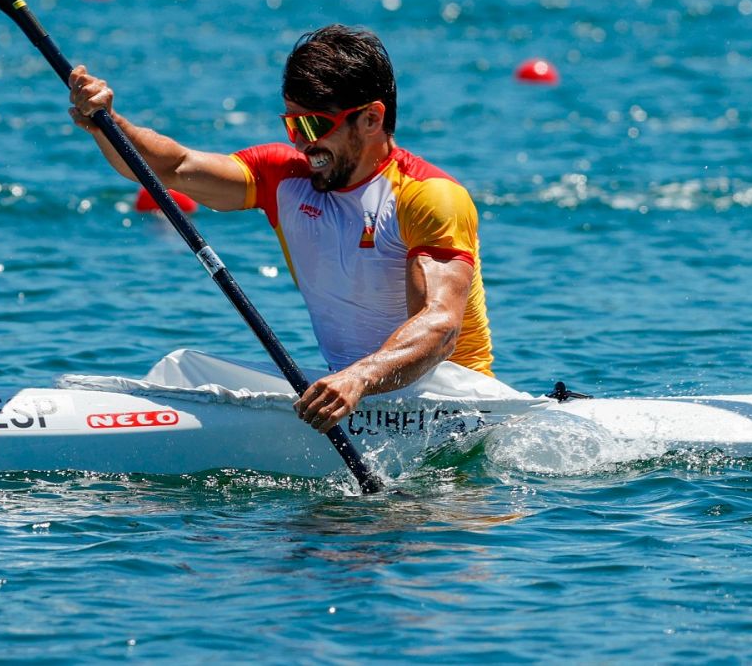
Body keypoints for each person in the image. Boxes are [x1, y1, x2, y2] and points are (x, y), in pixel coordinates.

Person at [68, 24, 493, 435]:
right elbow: (171, 167)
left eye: (313, 126)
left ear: (371, 118)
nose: (301, 144)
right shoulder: (282, 177)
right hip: (349, 393)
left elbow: (440, 327)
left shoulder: (427, 196)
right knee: (182, 369)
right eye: (292, 125)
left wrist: (357, 379)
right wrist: (107, 122)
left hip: (451, 402)